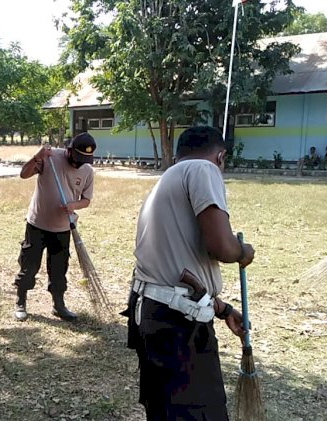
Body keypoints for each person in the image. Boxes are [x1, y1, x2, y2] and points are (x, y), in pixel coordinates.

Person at [122, 126, 254, 420]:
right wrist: (243, 252)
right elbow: (221, 246)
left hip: (153, 313)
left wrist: (222, 309)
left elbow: (173, 269)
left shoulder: (165, 182)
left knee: (165, 411)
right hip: (177, 325)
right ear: (220, 156)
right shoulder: (203, 169)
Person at [13, 133, 96, 322]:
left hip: (63, 228)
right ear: (69, 150)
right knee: (29, 265)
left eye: (84, 160)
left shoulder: (87, 171)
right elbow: (23, 174)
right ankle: (21, 301)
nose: (79, 163)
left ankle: (59, 305)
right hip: (37, 224)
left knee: (59, 269)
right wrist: (38, 156)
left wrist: (73, 206)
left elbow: (86, 200)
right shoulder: (50, 158)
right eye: (77, 158)